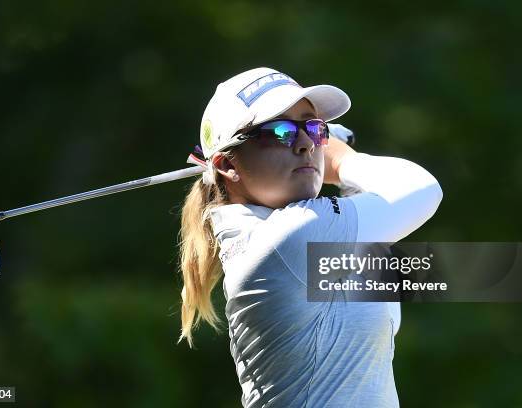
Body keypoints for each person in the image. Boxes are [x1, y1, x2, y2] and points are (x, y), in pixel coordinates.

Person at [177, 67, 443, 407]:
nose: (305, 144)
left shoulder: (289, 244)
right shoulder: (285, 241)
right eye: (279, 130)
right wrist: (346, 160)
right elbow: (422, 189)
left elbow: (427, 273)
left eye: (313, 128)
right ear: (227, 165)